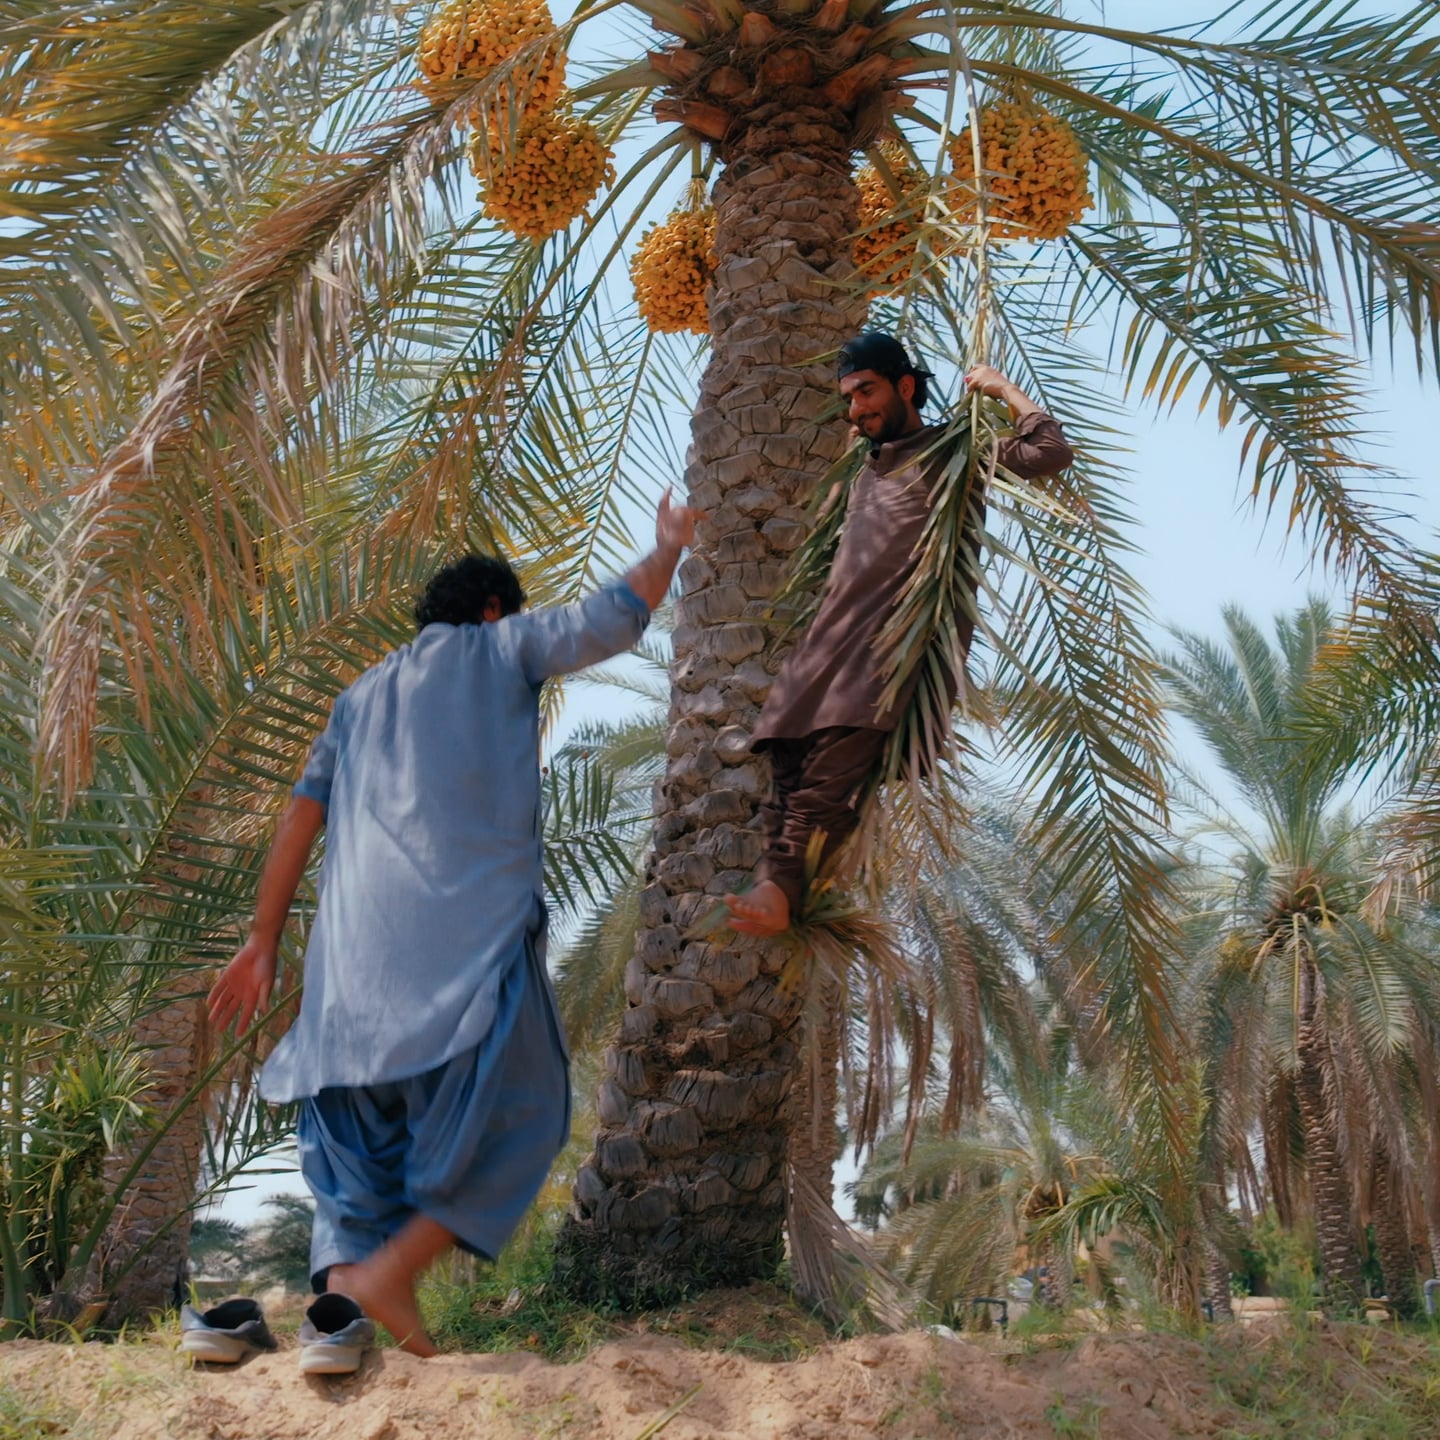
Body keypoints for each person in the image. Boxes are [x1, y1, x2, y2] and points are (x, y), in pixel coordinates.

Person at [208, 492, 702, 1359]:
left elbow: (299, 818)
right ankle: (387, 1275)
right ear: (490, 609)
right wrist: (665, 550)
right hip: (461, 963)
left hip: (344, 993)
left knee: (356, 1162)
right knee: (527, 1109)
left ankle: (345, 1324)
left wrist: (261, 940)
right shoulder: (501, 646)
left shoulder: (357, 699)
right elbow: (610, 619)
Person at [725, 332, 1074, 937]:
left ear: (905, 387)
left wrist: (1005, 390)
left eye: (867, 391)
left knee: (825, 783)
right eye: (849, 397)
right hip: (824, 647)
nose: (856, 407)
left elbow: (1048, 453)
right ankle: (775, 884)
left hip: (881, 653)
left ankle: (781, 890)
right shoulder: (861, 473)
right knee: (785, 767)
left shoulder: (952, 451)